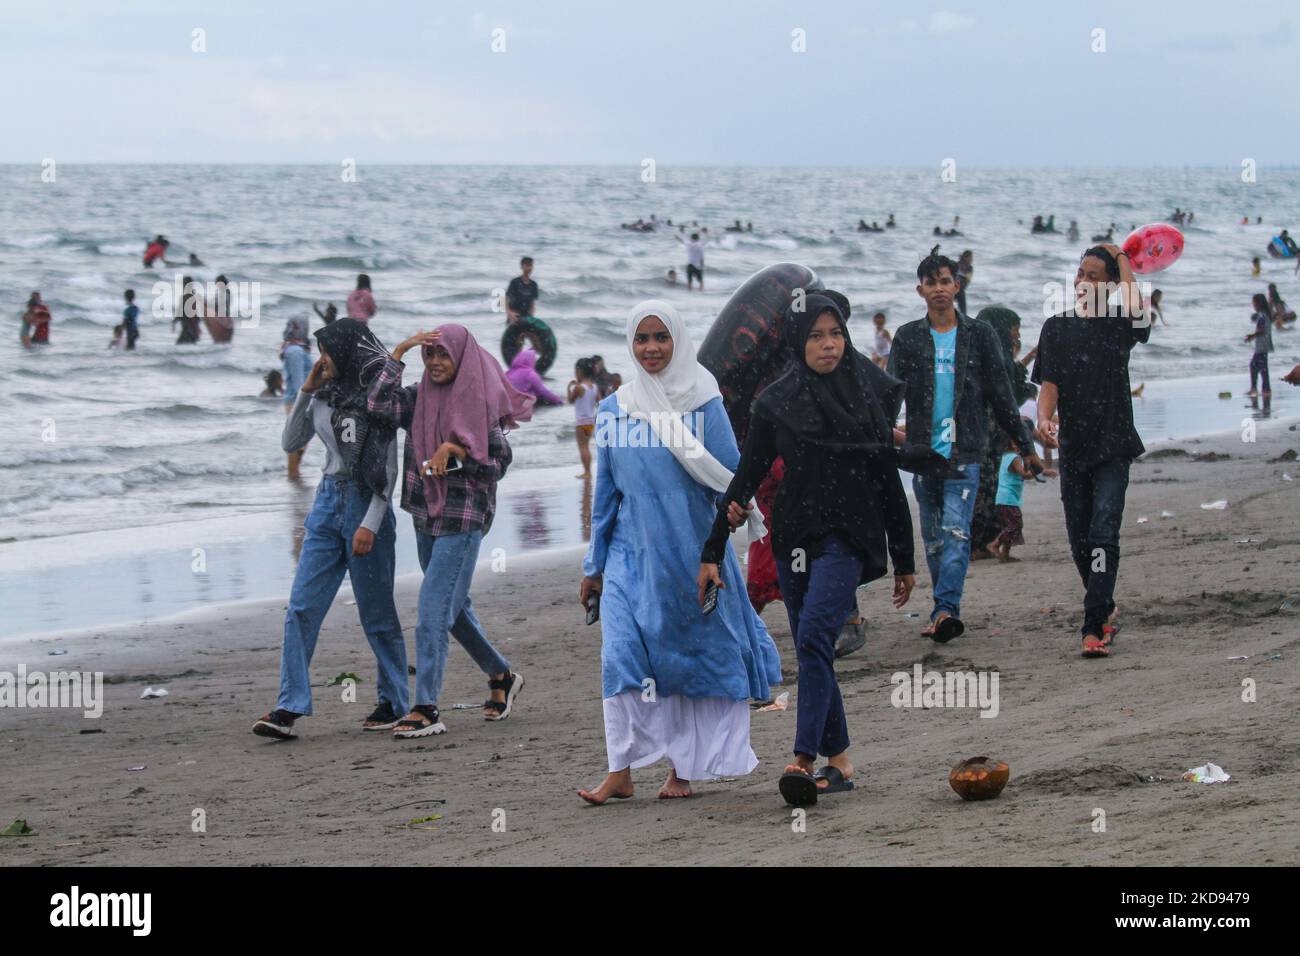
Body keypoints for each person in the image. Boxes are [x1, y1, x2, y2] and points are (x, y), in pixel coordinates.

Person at [700, 290, 934, 807]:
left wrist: (905, 558)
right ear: (795, 343)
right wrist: (713, 547)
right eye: (815, 336)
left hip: (849, 539)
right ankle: (841, 763)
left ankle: (802, 757)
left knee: (812, 641)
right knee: (814, 650)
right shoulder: (776, 403)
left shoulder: (865, 394)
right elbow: (747, 475)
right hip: (794, 540)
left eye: (836, 335)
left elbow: (885, 476)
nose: (828, 345)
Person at [576, 300, 781, 805]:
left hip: (692, 551)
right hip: (630, 554)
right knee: (620, 655)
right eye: (641, 339)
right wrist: (594, 565)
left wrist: (725, 534)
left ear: (677, 341)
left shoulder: (702, 401)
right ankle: (620, 769)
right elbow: (607, 494)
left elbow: (731, 477)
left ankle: (683, 769)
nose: (651, 349)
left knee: (685, 659)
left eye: (660, 338)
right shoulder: (614, 408)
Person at [367, 324, 532, 737]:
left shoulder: (477, 401)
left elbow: (499, 463)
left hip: (464, 518)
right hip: (424, 514)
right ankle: (501, 676)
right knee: (450, 611)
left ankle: (426, 707)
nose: (436, 363)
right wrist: (399, 352)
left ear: (461, 357)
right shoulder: (418, 396)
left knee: (432, 610)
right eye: (430, 355)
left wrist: (460, 451)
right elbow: (377, 405)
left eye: (444, 355)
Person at [251, 319, 408, 740]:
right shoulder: (323, 395)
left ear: (347, 352)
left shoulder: (378, 400)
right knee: (301, 607)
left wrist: (370, 523)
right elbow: (290, 443)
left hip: (364, 503)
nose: (323, 359)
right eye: (319, 352)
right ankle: (289, 705)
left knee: (376, 615)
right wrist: (305, 390)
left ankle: (395, 701)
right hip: (326, 504)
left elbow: (387, 469)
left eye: (328, 352)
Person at [888, 254, 1042, 642]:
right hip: (924, 456)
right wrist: (878, 440)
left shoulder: (979, 335)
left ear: (957, 286)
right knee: (935, 540)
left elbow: (1001, 395)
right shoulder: (907, 337)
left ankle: (944, 610)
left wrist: (1025, 445)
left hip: (966, 454)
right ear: (919, 289)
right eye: (930, 281)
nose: (939, 288)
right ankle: (943, 606)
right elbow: (889, 395)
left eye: (945, 280)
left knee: (957, 533)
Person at [1032, 244, 1149, 658]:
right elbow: (1049, 387)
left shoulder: (1123, 324)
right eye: (1079, 274)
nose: (1082, 282)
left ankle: (1094, 623)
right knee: (1080, 541)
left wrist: (1123, 260)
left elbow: (1140, 307)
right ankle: (1105, 602)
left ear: (1112, 285)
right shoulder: (1057, 328)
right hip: (1075, 448)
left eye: (1093, 276)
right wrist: (1043, 420)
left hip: (1114, 445)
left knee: (1103, 534)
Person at [969, 307, 1039, 561]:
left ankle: (978, 542)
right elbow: (1010, 390)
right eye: (1014, 328)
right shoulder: (993, 355)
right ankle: (981, 543)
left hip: (977, 431)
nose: (1016, 334)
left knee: (982, 486)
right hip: (990, 431)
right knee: (989, 487)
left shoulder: (974, 351)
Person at [281, 313, 314, 478]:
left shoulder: (296, 348)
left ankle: (294, 472)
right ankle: (292, 473)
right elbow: (299, 381)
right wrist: (304, 401)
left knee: (302, 440)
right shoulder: (295, 352)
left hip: (297, 399)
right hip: (297, 400)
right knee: (296, 441)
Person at [992, 431, 1030, 562]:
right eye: (1015, 443)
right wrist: (1043, 472)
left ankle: (1005, 554)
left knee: (1009, 525)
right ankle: (995, 544)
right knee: (1015, 524)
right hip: (1008, 498)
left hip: (1005, 497)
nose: (1018, 445)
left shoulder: (1006, 456)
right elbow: (1024, 474)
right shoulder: (1014, 458)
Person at [568, 358, 598, 479]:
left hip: (581, 422)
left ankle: (587, 472)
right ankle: (588, 471)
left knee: (583, 447)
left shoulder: (579, 387)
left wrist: (569, 388)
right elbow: (599, 401)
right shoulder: (594, 387)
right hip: (591, 421)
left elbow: (570, 400)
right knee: (586, 446)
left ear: (580, 371)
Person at [1246, 292, 1274, 398]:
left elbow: (1261, 329)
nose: (1253, 305)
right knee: (1261, 367)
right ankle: (1265, 389)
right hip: (1264, 345)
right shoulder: (1265, 314)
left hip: (1262, 345)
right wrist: (1253, 336)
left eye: (1254, 303)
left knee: (1255, 366)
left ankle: (1259, 389)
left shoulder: (1262, 315)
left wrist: (1252, 336)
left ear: (1258, 304)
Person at [505, 257, 540, 324]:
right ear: (521, 266)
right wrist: (509, 313)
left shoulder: (533, 284)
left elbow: (532, 303)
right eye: (527, 265)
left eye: (531, 265)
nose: (529, 268)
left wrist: (531, 316)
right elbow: (505, 298)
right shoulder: (515, 282)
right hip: (514, 316)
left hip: (526, 317)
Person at [172, 276, 202, 344]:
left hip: (188, 329)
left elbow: (181, 312)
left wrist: (175, 321)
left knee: (179, 345)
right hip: (192, 329)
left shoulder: (186, 297)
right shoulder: (192, 296)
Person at [955, 250, 974, 315]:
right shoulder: (969, 267)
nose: (972, 260)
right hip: (959, 288)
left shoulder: (956, 264)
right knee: (963, 312)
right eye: (971, 258)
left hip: (952, 287)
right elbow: (968, 278)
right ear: (967, 257)